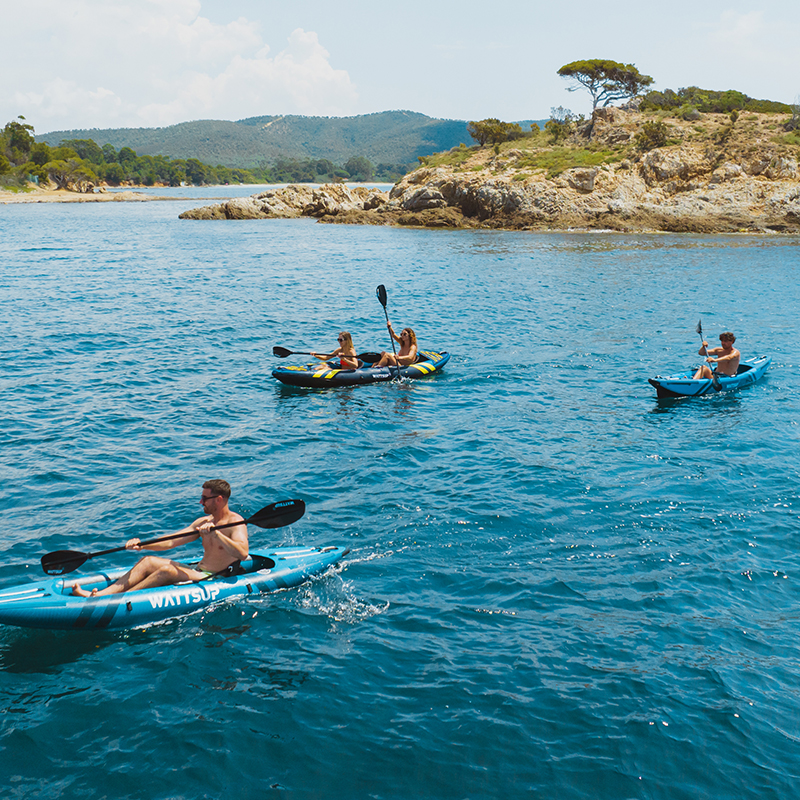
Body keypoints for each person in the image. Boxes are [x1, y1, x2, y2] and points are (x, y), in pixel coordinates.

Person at [71, 479, 248, 597]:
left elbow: (242, 553)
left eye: (204, 498)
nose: (201, 502)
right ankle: (101, 595)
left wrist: (216, 533)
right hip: (198, 570)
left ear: (218, 499)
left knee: (168, 571)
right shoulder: (204, 522)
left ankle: (121, 600)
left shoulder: (235, 523)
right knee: (147, 561)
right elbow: (172, 541)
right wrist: (143, 545)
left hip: (215, 577)